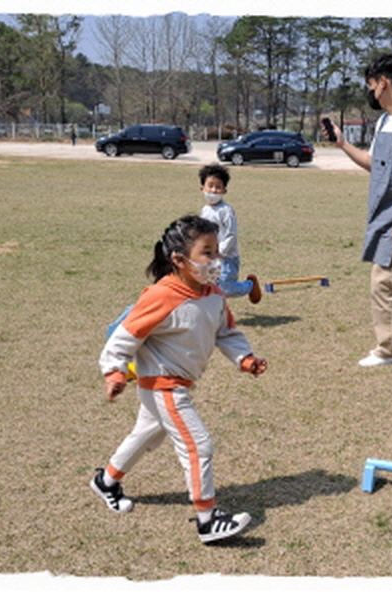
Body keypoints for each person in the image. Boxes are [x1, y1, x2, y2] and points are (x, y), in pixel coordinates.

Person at [90, 214, 267, 544]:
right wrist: (114, 371)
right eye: (207, 253)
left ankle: (107, 481)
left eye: (217, 252)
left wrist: (245, 358)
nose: (216, 260)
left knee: (144, 435)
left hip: (178, 383)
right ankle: (208, 519)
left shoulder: (214, 294)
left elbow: (226, 332)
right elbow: (124, 337)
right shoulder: (161, 295)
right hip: (163, 385)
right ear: (179, 260)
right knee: (198, 445)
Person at [325, 53, 392, 367]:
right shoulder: (386, 120)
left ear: (383, 83)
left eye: (371, 86)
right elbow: (375, 165)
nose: (371, 93)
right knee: (390, 282)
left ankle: (388, 351)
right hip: (384, 214)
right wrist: (343, 144)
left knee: (382, 280)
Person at [199, 163, 262, 304]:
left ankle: (249, 286)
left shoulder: (226, 211)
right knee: (210, 287)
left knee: (226, 289)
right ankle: (217, 314)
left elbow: (231, 234)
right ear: (202, 188)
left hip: (227, 257)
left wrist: (220, 252)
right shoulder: (205, 210)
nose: (214, 190)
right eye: (210, 186)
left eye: (218, 187)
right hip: (210, 257)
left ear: (224, 190)